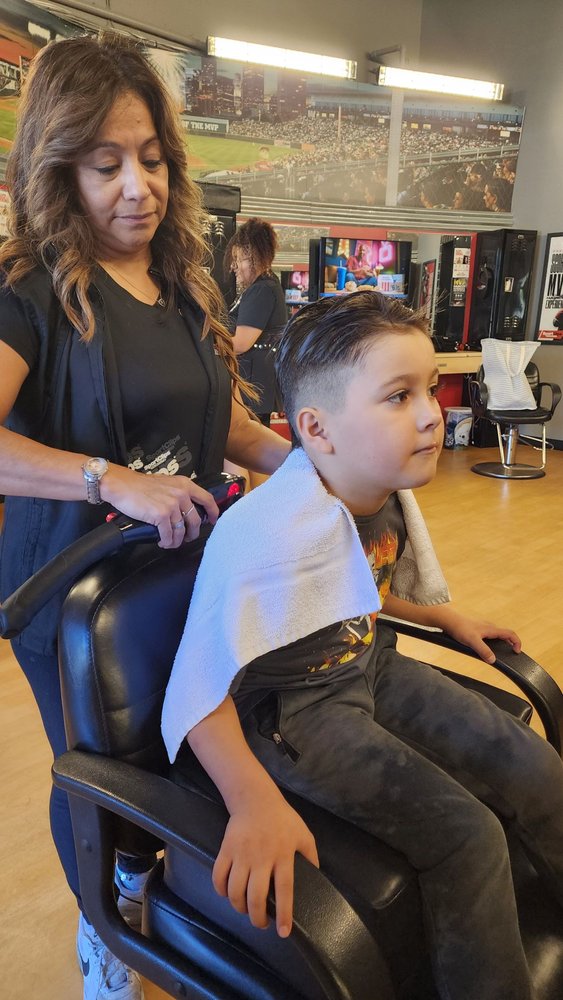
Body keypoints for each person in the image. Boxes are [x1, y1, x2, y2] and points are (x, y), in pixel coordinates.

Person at [162, 291, 563, 1000]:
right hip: (293, 713)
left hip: (365, 661)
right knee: (466, 836)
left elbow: (350, 588)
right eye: (398, 396)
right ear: (317, 429)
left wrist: (442, 617)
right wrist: (251, 800)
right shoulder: (267, 534)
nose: (431, 414)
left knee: (534, 765)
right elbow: (196, 690)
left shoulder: (376, 492)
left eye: (430, 389)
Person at [0, 33, 290, 1000]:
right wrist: (109, 479)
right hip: (75, 606)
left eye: (153, 159)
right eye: (106, 165)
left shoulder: (183, 286)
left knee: (186, 762)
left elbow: (222, 424)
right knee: (102, 780)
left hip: (184, 584)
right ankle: (103, 926)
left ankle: (144, 886)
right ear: (59, 170)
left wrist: (312, 464)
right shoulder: (30, 295)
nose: (139, 187)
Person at [226, 217, 287, 428]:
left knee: (251, 437)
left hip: (252, 384)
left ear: (255, 257)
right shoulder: (266, 286)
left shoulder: (261, 290)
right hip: (254, 382)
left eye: (239, 259)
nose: (234, 266)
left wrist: (209, 345)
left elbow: (241, 343)